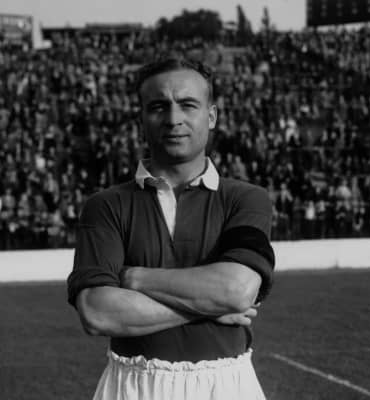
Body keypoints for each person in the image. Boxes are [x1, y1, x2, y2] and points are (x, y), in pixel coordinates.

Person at [67, 57, 275, 400]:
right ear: (141, 119)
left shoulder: (246, 199)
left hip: (226, 385)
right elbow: (97, 312)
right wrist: (211, 307)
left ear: (211, 116)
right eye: (158, 106)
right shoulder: (105, 206)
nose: (173, 118)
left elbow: (236, 291)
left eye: (188, 105)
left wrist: (135, 278)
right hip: (133, 385)